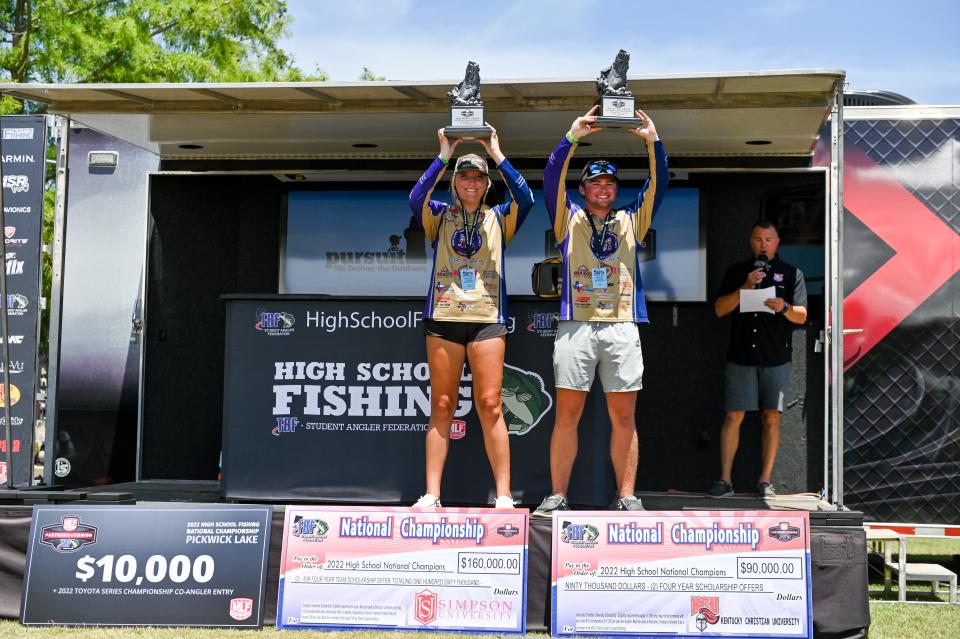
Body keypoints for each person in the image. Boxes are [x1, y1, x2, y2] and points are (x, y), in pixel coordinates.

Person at [533, 106, 668, 517]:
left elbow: (658, 185)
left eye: (610, 182)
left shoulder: (631, 220)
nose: (604, 188)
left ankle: (627, 496)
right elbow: (551, 180)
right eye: (596, 182)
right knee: (568, 414)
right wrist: (571, 138)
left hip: (621, 326)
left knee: (623, 415)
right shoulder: (567, 219)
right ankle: (557, 495)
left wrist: (653, 142)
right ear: (584, 188)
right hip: (576, 326)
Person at [408, 126, 534, 509]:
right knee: (443, 404)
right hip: (444, 317)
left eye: (478, 176)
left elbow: (526, 198)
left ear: (486, 182)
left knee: (491, 404)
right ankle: (431, 494)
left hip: (487, 318)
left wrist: (495, 151)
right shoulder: (438, 215)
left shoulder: (499, 218)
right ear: (455, 180)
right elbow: (416, 196)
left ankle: (505, 495)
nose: (471, 182)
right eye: (464, 175)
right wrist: (445, 154)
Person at [706, 220, 808, 499]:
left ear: (777, 242)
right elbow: (718, 309)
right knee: (734, 414)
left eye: (769, 239)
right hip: (741, 355)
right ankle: (725, 480)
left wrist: (784, 306)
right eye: (758, 239)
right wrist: (745, 288)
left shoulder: (791, 273)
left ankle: (765, 481)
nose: (763, 244)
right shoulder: (738, 271)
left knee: (771, 416)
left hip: (775, 357)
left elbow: (802, 315)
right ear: (751, 242)